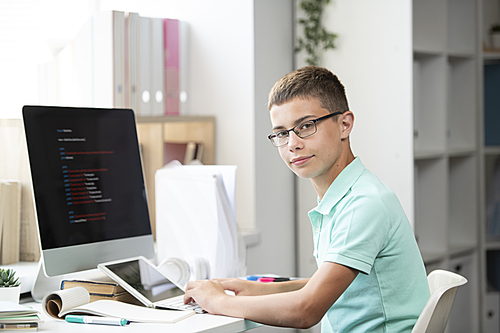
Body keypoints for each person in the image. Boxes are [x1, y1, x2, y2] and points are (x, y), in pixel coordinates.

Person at [183, 66, 430, 332]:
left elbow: (306, 310)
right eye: (281, 133)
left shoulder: (364, 204)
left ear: (344, 124)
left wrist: (217, 301)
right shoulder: (347, 197)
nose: (292, 144)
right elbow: (327, 285)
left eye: (306, 126)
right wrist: (257, 289)